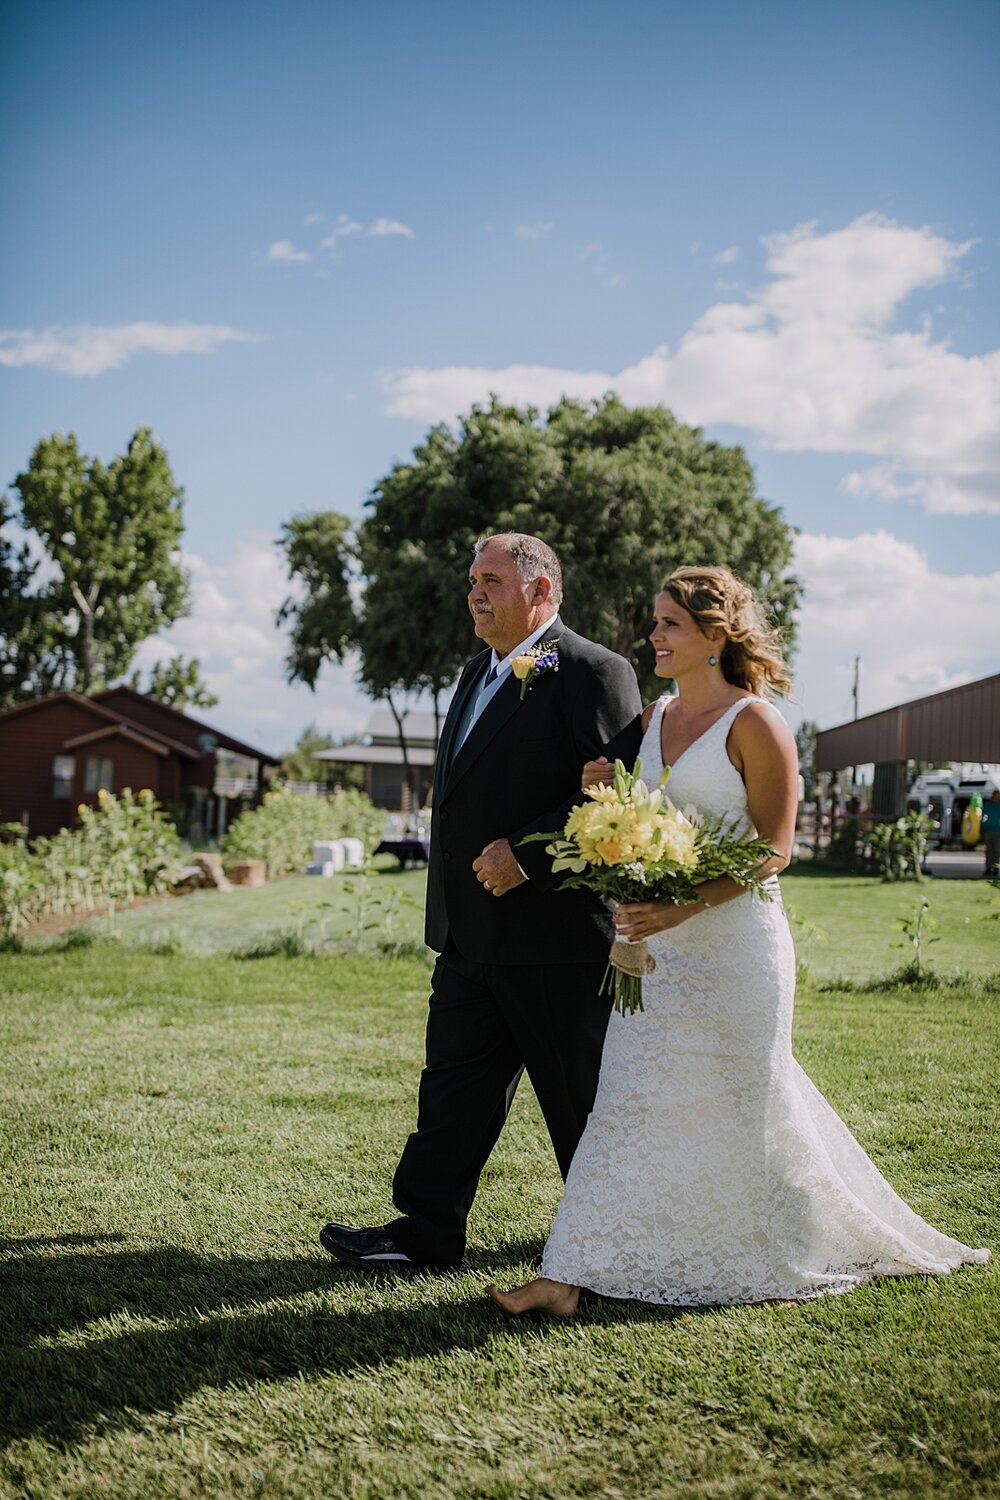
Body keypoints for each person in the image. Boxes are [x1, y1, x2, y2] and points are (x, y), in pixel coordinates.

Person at [489, 567, 988, 1316]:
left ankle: (772, 1260)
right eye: (656, 622)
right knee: (623, 1104)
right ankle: (566, 1276)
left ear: (715, 636)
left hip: (735, 949)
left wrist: (681, 906)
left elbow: (773, 851)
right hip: (656, 951)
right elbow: (646, 814)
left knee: (747, 1103)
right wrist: (608, 794)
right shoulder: (654, 718)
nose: (653, 635)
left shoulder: (758, 723)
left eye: (670, 625)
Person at [320, 532, 643, 1271]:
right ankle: (426, 1235)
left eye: (492, 580)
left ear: (541, 592)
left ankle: (613, 1243)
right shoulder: (479, 670)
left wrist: (527, 855)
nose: (475, 593)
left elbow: (617, 797)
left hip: (553, 938)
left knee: (578, 1103)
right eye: (472, 580)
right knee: (451, 1098)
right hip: (468, 934)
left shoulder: (593, 670)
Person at [982, 789, 1000, 879]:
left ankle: (995, 868)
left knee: (997, 851)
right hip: (988, 831)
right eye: (995, 795)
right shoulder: (987, 805)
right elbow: (983, 817)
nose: (996, 797)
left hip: (998, 831)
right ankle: (988, 868)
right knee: (988, 851)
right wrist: (982, 830)